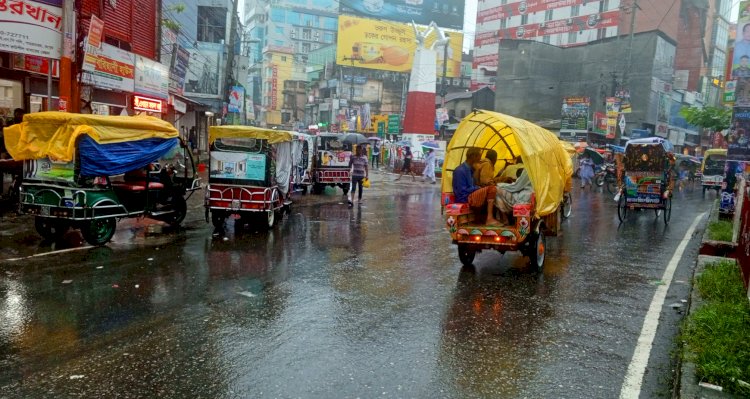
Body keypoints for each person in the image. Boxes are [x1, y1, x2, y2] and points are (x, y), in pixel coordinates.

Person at [452, 147, 501, 225]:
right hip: (464, 197)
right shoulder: (460, 170)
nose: (480, 158)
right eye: (479, 156)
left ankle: (486, 218)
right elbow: (462, 191)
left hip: (470, 194)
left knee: (494, 192)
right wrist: (478, 188)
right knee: (492, 189)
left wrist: (476, 172)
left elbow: (475, 184)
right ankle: (489, 218)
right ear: (473, 156)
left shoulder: (471, 169)